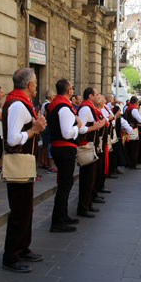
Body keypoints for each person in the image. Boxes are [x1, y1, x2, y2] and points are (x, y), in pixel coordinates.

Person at [1, 68, 47, 273]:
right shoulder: (18, 105)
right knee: (19, 210)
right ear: (29, 85)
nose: (36, 86)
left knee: (26, 207)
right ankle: (10, 256)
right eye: (35, 82)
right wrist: (33, 130)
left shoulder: (21, 102)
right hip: (18, 162)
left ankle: (22, 247)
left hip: (25, 160)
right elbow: (12, 139)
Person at [47, 79, 86, 232]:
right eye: (72, 89)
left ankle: (63, 216)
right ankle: (58, 221)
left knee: (66, 184)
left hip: (60, 148)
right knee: (64, 185)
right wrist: (78, 127)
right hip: (64, 148)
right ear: (69, 91)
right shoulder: (63, 107)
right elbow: (67, 132)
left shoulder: (58, 105)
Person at [77, 88, 107, 218]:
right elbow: (80, 129)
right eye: (95, 95)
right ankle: (83, 207)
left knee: (91, 178)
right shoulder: (85, 109)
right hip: (86, 147)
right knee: (87, 179)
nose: (98, 97)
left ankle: (88, 203)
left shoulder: (90, 108)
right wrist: (97, 126)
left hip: (92, 146)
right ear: (90, 96)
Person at [123, 96, 141, 169]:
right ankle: (133, 164)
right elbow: (139, 120)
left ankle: (127, 163)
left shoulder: (127, 108)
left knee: (128, 146)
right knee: (134, 147)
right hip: (133, 130)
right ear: (136, 102)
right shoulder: (134, 109)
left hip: (128, 128)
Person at [39, 90, 56, 173]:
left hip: (44, 126)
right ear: (50, 96)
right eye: (53, 96)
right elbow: (46, 115)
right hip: (47, 127)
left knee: (45, 146)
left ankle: (43, 162)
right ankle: (50, 166)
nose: (54, 97)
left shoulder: (44, 104)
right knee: (49, 145)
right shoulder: (48, 105)